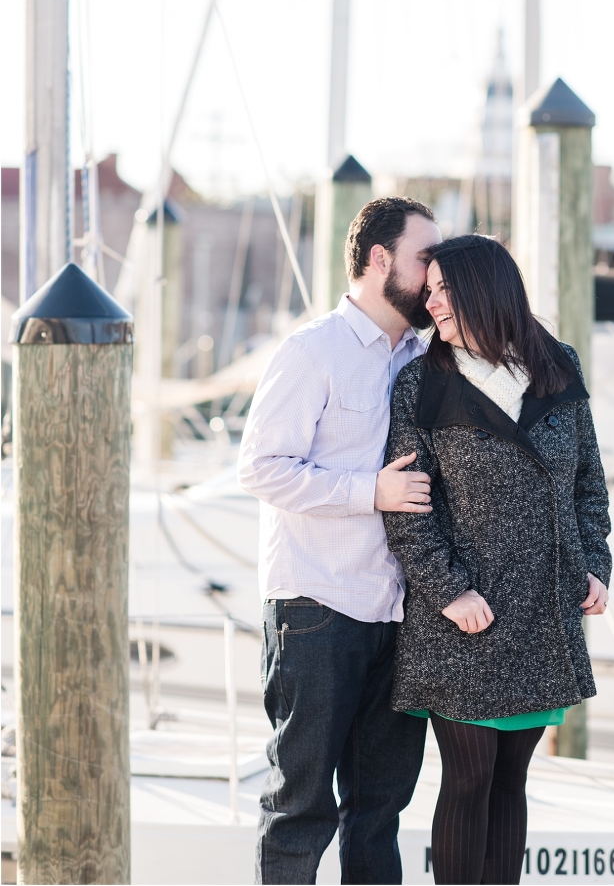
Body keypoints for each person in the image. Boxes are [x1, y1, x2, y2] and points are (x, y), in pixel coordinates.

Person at [383, 234, 612, 886]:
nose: (432, 305)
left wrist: (595, 564)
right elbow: (406, 508)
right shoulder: (422, 383)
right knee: (470, 778)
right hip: (464, 620)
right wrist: (451, 592)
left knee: (513, 780)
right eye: (426, 294)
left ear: (485, 286)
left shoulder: (558, 365)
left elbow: (588, 485)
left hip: (544, 616)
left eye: (442, 291)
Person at [237, 196, 441, 886]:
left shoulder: (422, 355)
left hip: (397, 616)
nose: (434, 273)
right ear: (379, 260)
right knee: (299, 809)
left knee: (379, 812)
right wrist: (369, 491)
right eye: (424, 258)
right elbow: (260, 468)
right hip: (317, 609)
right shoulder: (311, 350)